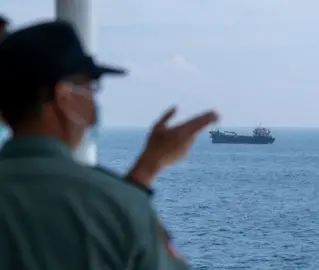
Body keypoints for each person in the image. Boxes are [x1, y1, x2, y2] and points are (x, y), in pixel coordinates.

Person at [0, 20, 218, 269]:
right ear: (63, 96)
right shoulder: (118, 205)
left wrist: (145, 170)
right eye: (90, 86)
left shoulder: (117, 203)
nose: (93, 100)